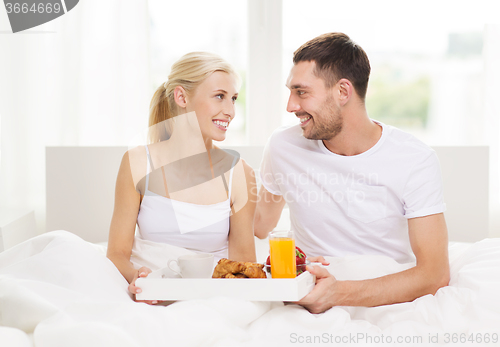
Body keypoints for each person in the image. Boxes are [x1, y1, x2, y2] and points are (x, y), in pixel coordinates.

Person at [254, 33, 450, 313]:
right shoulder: (283, 146)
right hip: (311, 293)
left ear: (343, 92)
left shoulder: (415, 159)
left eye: (301, 91)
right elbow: (259, 224)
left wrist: (338, 293)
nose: (291, 106)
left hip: (389, 298)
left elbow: (434, 274)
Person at [107, 52, 257, 303]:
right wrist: (138, 277)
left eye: (233, 99)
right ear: (181, 96)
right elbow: (117, 253)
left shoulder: (239, 173)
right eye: (219, 96)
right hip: (151, 292)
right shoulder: (137, 163)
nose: (230, 110)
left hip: (212, 298)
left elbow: (244, 267)